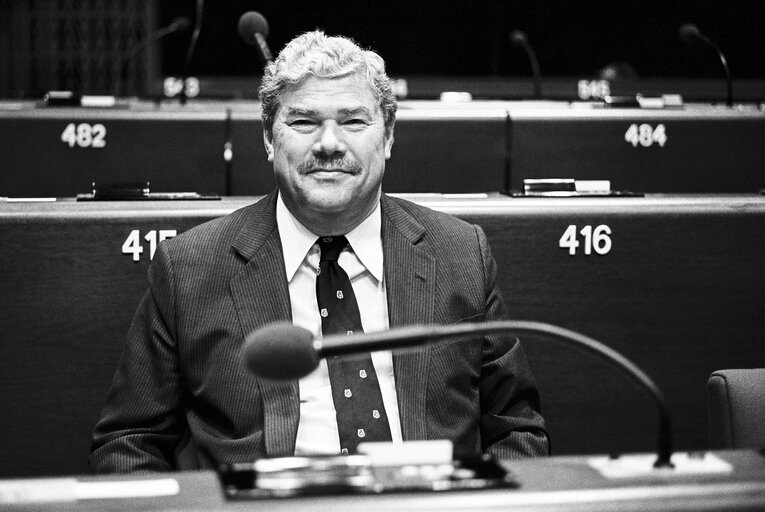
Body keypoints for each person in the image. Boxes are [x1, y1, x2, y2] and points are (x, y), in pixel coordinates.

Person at [89, 30, 548, 473]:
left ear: (387, 136)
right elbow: (128, 444)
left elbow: (516, 430)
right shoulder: (188, 268)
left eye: (353, 121)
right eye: (304, 122)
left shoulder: (460, 254)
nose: (329, 144)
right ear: (269, 138)